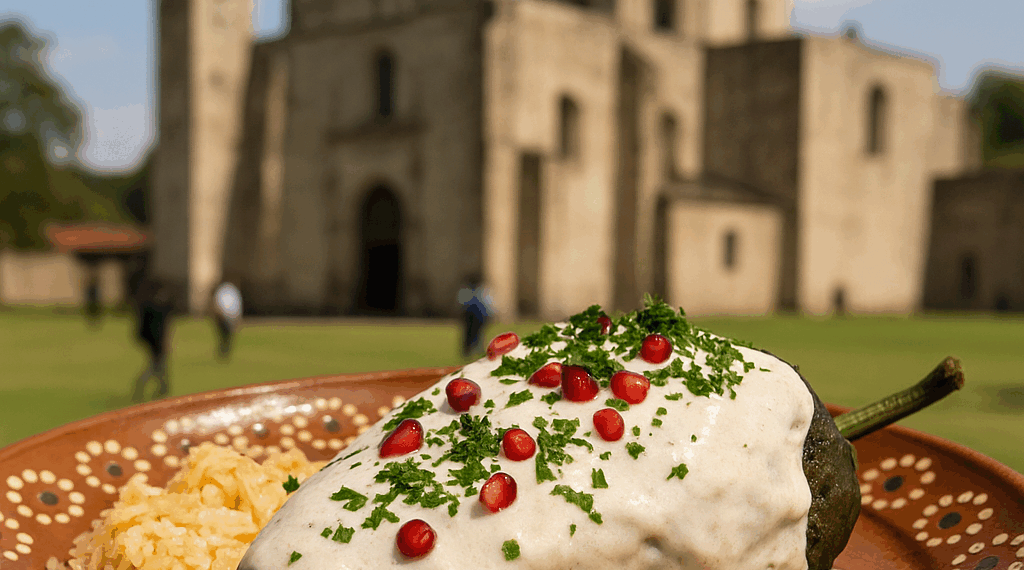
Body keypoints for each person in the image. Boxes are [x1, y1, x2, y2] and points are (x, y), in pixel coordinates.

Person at [131, 279, 175, 403]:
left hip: (150, 340)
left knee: (160, 365)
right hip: (156, 341)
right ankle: (143, 386)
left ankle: (163, 388)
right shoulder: (158, 308)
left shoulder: (148, 305)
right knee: (155, 366)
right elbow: (160, 328)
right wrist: (163, 342)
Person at [457, 275, 494, 358]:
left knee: (474, 333)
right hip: (473, 315)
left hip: (475, 315)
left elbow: (461, 303)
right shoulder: (480, 291)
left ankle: (473, 349)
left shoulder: (471, 290)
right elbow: (487, 304)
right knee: (472, 333)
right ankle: (470, 349)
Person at [212, 281, 243, 359]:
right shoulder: (224, 291)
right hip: (223, 317)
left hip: (229, 317)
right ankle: (223, 350)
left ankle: (225, 351)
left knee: (228, 335)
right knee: (223, 334)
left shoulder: (229, 291)